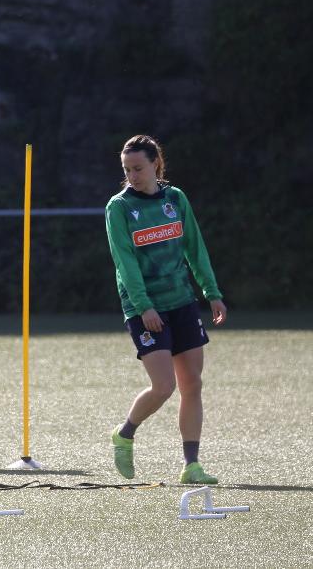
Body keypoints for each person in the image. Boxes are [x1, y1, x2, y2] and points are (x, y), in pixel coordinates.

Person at [106, 134, 227, 484]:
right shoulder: (119, 207)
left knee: (192, 384)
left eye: (139, 168)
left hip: (182, 302)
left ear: (156, 164)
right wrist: (143, 306)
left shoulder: (175, 199)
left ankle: (191, 465)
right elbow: (124, 262)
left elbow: (194, 246)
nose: (133, 175)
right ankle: (125, 433)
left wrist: (211, 291)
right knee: (163, 387)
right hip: (144, 307)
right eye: (127, 169)